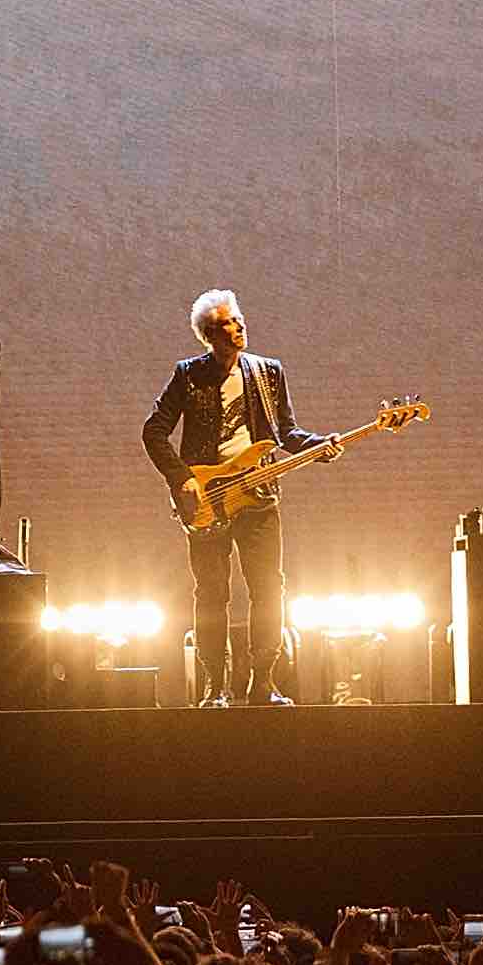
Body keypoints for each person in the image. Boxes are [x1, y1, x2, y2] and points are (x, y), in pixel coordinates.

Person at [140, 289, 336, 707]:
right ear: (211, 334)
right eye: (230, 322)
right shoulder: (188, 375)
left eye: (240, 318)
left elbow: (286, 433)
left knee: (269, 588)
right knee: (211, 592)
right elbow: (153, 430)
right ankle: (215, 686)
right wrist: (181, 480)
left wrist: (319, 445)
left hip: (260, 495)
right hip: (208, 497)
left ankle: (263, 682)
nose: (240, 326)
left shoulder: (268, 372)